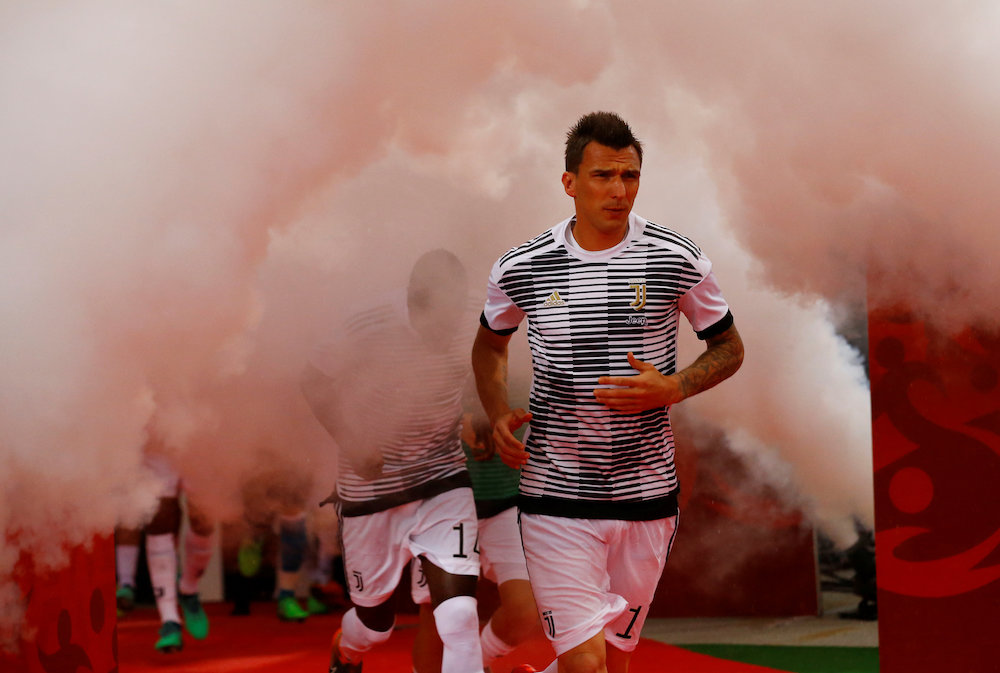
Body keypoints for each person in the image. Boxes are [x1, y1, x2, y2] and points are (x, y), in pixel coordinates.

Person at [472, 112, 744, 673]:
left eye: (630, 176)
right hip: (555, 499)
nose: (618, 191)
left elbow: (729, 348)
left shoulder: (678, 257)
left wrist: (675, 385)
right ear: (569, 181)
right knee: (587, 664)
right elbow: (489, 347)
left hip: (647, 502)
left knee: (614, 664)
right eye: (602, 176)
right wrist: (497, 412)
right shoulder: (521, 266)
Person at [302, 249, 486, 673]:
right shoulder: (367, 322)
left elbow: (487, 360)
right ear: (411, 303)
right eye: (435, 322)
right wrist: (352, 442)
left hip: (442, 475)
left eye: (453, 318)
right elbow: (312, 379)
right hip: (371, 488)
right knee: (375, 625)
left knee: (458, 616)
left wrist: (476, 412)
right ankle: (346, 651)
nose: (445, 332)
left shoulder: (480, 313)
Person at [411, 413, 542, 673]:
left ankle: (473, 665)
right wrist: (455, 422)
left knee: (526, 609)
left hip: (506, 499)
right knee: (437, 611)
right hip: (442, 500)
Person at [115, 445, 215, 653]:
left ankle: (188, 588)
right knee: (159, 519)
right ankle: (170, 620)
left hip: (199, 438)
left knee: (204, 521)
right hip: (159, 441)